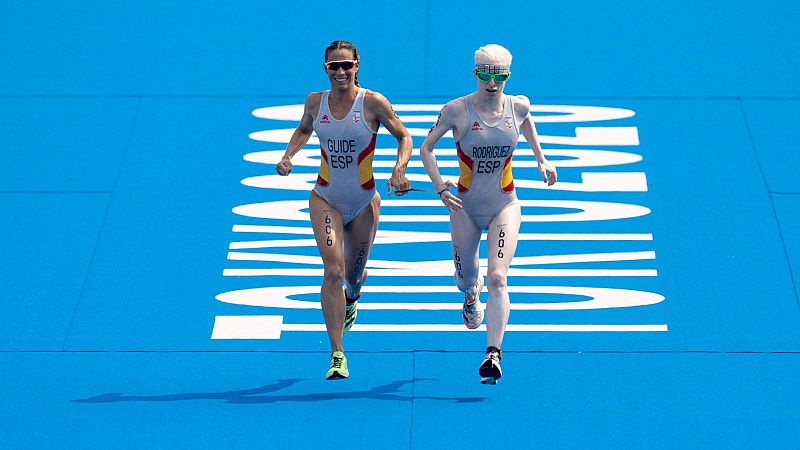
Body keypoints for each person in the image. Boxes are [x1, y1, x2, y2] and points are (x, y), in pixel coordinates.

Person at [420, 44, 557, 384]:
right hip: (465, 208)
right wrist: (441, 188)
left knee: (498, 277)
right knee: (469, 278)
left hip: (503, 205)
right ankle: (470, 294)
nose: (492, 83)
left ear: (508, 76)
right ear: (475, 74)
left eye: (500, 76)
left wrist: (542, 159)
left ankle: (493, 355)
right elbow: (426, 148)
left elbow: (527, 125)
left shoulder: (519, 106)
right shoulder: (456, 111)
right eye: (485, 75)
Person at [276, 40, 412, 379]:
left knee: (351, 276)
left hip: (365, 202)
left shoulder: (372, 103)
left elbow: (404, 136)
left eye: (346, 65)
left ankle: (353, 294)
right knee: (333, 271)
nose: (340, 72)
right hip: (326, 198)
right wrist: (288, 156)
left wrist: (400, 169)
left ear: (357, 66)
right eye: (333, 67)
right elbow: (305, 128)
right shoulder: (314, 102)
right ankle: (337, 353)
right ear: (325, 69)